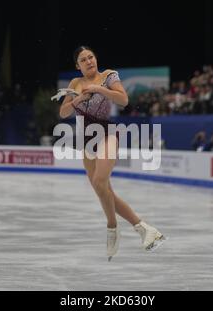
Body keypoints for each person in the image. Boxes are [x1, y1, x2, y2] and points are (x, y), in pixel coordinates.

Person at [58, 46, 166, 261]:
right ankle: (144, 229)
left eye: (91, 57)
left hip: (107, 133)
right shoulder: (74, 84)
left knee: (100, 182)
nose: (89, 61)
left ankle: (112, 228)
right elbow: (63, 113)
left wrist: (99, 90)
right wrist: (78, 98)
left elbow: (123, 99)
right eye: (83, 59)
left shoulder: (108, 76)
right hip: (85, 141)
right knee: (105, 192)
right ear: (77, 66)